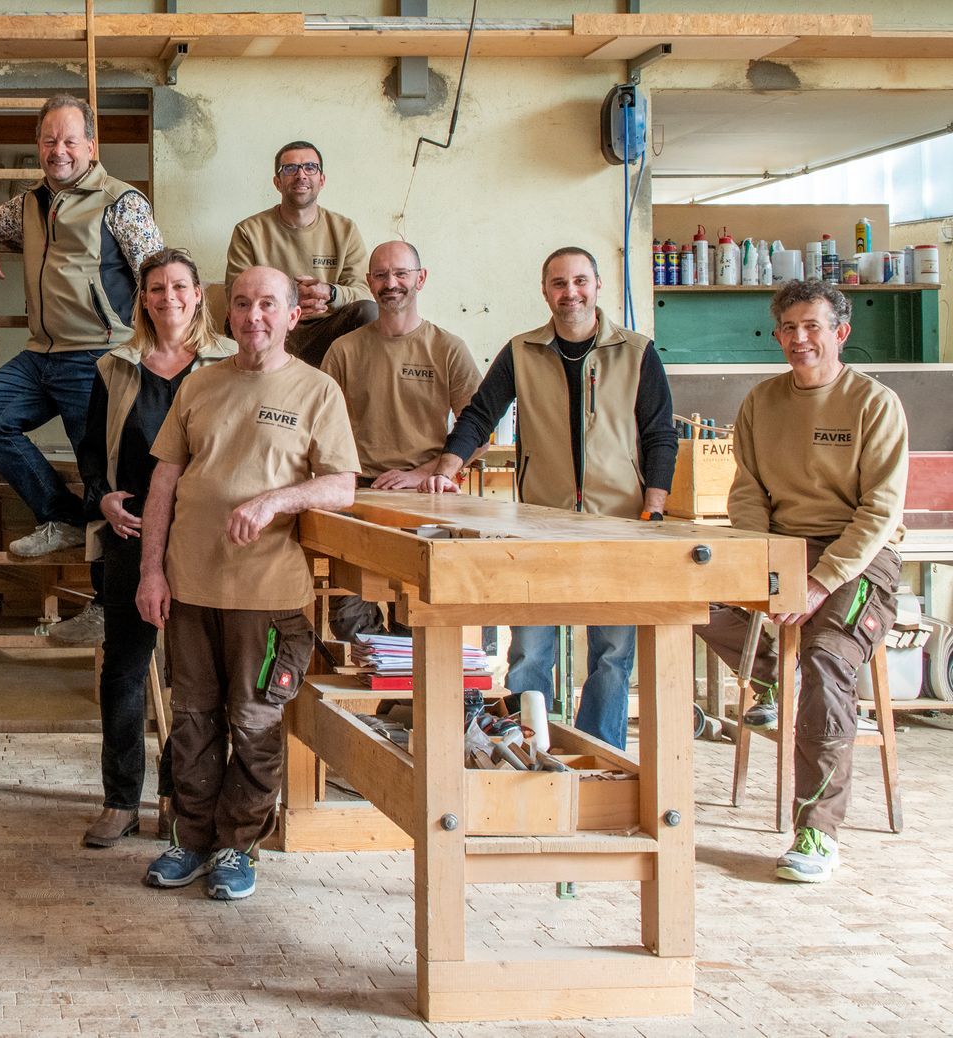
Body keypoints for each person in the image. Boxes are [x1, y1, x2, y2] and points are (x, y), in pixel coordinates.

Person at [135, 266, 358, 900]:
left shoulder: (318, 391)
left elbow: (342, 485)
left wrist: (274, 502)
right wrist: (152, 571)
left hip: (269, 597)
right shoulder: (200, 385)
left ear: (293, 316)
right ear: (227, 314)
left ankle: (238, 846)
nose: (252, 315)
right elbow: (162, 486)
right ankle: (193, 841)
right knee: (193, 721)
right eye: (241, 304)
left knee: (254, 723)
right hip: (191, 588)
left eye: (267, 304)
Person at [410, 247, 678, 749]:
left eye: (579, 281)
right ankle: (524, 750)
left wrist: (654, 509)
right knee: (530, 649)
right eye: (559, 283)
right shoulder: (521, 351)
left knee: (613, 653)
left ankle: (601, 753)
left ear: (598, 286)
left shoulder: (638, 351)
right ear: (544, 290)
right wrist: (447, 469)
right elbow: (478, 416)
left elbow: (660, 435)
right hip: (539, 522)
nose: (569, 292)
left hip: (619, 523)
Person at [695, 280, 906, 884]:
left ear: (841, 332)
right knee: (689, 598)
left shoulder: (874, 403)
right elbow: (748, 493)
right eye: (788, 327)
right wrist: (765, 566)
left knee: (824, 659)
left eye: (812, 326)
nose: (799, 339)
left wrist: (816, 584)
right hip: (785, 547)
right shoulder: (762, 402)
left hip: (861, 559)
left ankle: (816, 830)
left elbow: (879, 512)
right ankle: (767, 680)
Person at [0, 94, 166, 644]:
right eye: (49, 141)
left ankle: (106, 603)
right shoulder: (28, 203)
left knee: (107, 478)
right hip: (41, 354)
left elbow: (160, 274)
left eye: (70, 140)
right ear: (38, 147)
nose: (59, 150)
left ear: (91, 146)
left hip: (99, 358)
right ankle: (62, 516)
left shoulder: (122, 202)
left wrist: (156, 355)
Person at [74, 248, 235, 849]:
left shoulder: (227, 363)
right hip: (132, 531)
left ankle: (181, 799)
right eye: (156, 288)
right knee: (124, 669)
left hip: (203, 535)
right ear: (143, 299)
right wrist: (101, 499)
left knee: (197, 675)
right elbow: (92, 447)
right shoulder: (115, 366)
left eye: (179, 287)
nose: (168, 297)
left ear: (198, 295)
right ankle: (120, 801)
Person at [318, 240, 481, 641]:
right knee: (350, 623)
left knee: (421, 617)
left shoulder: (447, 349)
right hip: (356, 499)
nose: (391, 283)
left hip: (426, 499)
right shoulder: (343, 351)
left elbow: (478, 433)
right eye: (381, 275)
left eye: (401, 273)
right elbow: (320, 433)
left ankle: (411, 701)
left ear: (420, 279)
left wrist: (423, 473)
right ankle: (382, 703)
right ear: (369, 283)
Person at [224, 140, 375, 367]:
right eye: (290, 168)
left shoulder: (345, 229)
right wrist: (289, 302)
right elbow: (235, 291)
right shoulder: (249, 231)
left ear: (321, 180)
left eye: (310, 167)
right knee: (233, 320)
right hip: (273, 325)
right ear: (277, 182)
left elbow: (364, 292)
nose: (301, 175)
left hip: (327, 329)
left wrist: (329, 293)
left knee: (368, 312)